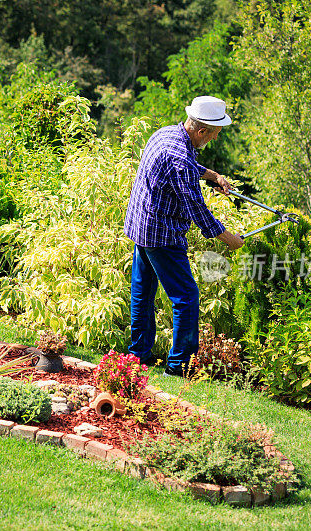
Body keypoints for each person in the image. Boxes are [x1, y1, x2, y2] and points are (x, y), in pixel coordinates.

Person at [123, 95, 244, 377]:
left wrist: (213, 176)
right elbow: (196, 208)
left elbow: (187, 166)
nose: (213, 139)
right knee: (186, 297)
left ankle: (137, 356)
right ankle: (178, 367)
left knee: (143, 292)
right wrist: (229, 238)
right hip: (161, 235)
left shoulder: (167, 134)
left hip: (141, 226)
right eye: (214, 134)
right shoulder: (179, 157)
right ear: (202, 131)